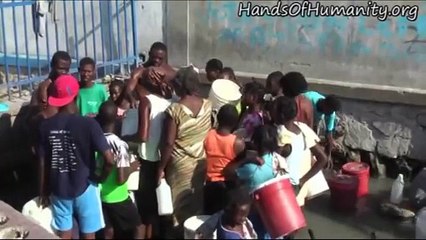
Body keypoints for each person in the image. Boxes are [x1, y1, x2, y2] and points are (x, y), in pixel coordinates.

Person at [37, 75, 115, 239]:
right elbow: (109, 159)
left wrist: (43, 190)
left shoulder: (45, 126)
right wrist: (100, 178)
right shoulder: (88, 124)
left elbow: (43, 162)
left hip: (58, 188)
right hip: (85, 186)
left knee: (64, 232)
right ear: (76, 94)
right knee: (89, 234)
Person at [157, 66, 213, 235]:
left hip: (179, 166)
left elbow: (168, 143)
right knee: (196, 204)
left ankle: (179, 234)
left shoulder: (175, 110)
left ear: (180, 86)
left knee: (179, 207)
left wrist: (160, 168)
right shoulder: (208, 105)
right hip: (200, 164)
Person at [129, 66, 172, 239]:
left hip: (147, 159)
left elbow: (143, 136)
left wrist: (126, 137)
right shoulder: (169, 102)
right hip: (163, 160)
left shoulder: (146, 102)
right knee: (157, 206)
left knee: (146, 209)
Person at [96, 101, 143, 239]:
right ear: (117, 118)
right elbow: (121, 179)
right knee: (139, 227)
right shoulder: (119, 144)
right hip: (118, 196)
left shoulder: (96, 140)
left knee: (108, 230)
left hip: (100, 195)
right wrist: (133, 167)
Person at [272, 96, 328, 195]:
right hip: (296, 186)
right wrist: (302, 181)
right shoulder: (303, 128)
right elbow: (323, 158)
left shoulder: (280, 133)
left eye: (272, 111)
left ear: (281, 115)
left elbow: (271, 163)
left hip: (281, 188)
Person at [204, 104, 245, 215]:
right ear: (235, 123)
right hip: (227, 186)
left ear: (218, 118)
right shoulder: (238, 143)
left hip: (208, 184)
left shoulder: (208, 135)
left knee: (207, 217)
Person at [123, 42, 176, 108]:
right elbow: (128, 90)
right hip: (143, 106)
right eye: (154, 57)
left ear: (165, 57)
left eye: (160, 58)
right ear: (149, 54)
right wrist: (132, 99)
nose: (156, 60)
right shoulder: (140, 70)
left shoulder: (170, 72)